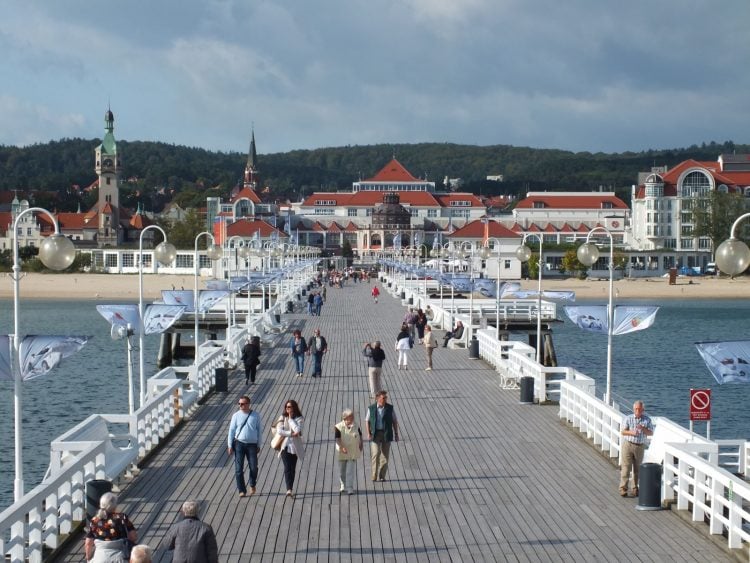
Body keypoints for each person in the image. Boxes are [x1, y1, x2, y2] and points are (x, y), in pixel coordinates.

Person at [84, 492, 138, 562]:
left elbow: (88, 543)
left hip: (100, 558)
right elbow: (133, 537)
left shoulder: (95, 520)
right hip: (120, 557)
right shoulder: (122, 517)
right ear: (114, 506)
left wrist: (88, 558)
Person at [227, 395, 263, 497]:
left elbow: (259, 431)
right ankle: (241, 490)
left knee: (254, 467)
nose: (240, 405)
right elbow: (231, 431)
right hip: (239, 443)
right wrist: (230, 445)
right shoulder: (236, 415)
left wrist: (259, 444)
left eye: (242, 404)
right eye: (239, 404)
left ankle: (252, 483)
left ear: (248, 404)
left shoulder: (255, 415)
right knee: (238, 469)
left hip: (252, 444)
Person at [619, 400, 654, 497]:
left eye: (639, 409)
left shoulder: (647, 420)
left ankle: (635, 488)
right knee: (626, 467)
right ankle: (623, 488)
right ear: (633, 409)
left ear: (643, 409)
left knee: (637, 468)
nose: (637, 411)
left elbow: (650, 433)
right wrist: (632, 432)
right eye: (636, 409)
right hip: (628, 444)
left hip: (640, 446)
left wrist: (643, 428)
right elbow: (623, 431)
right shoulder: (628, 418)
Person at [365, 390, 399, 482]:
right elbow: (367, 421)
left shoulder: (390, 408)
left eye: (386, 398)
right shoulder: (371, 408)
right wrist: (368, 433)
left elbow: (394, 421)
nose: (385, 399)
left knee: (385, 456)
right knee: (375, 454)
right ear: (378, 398)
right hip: (375, 434)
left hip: (386, 433)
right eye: (383, 398)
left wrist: (396, 434)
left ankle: (382, 476)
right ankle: (374, 475)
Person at [274, 399, 305, 497]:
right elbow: (279, 431)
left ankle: (290, 486)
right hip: (285, 446)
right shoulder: (282, 417)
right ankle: (289, 489)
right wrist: (291, 434)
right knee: (287, 467)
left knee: (293, 468)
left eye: (290, 407)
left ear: (294, 407)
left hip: (295, 447)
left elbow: (298, 429)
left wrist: (291, 419)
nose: (288, 409)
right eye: (286, 407)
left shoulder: (299, 418)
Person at [334, 408, 363, 495]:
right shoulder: (338, 427)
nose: (353, 417)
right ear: (345, 418)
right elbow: (337, 439)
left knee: (350, 470)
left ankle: (350, 487)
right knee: (342, 470)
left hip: (352, 450)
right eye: (351, 416)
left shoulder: (356, 425)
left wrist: (361, 443)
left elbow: (360, 435)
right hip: (343, 451)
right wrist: (342, 447)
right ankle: (343, 485)